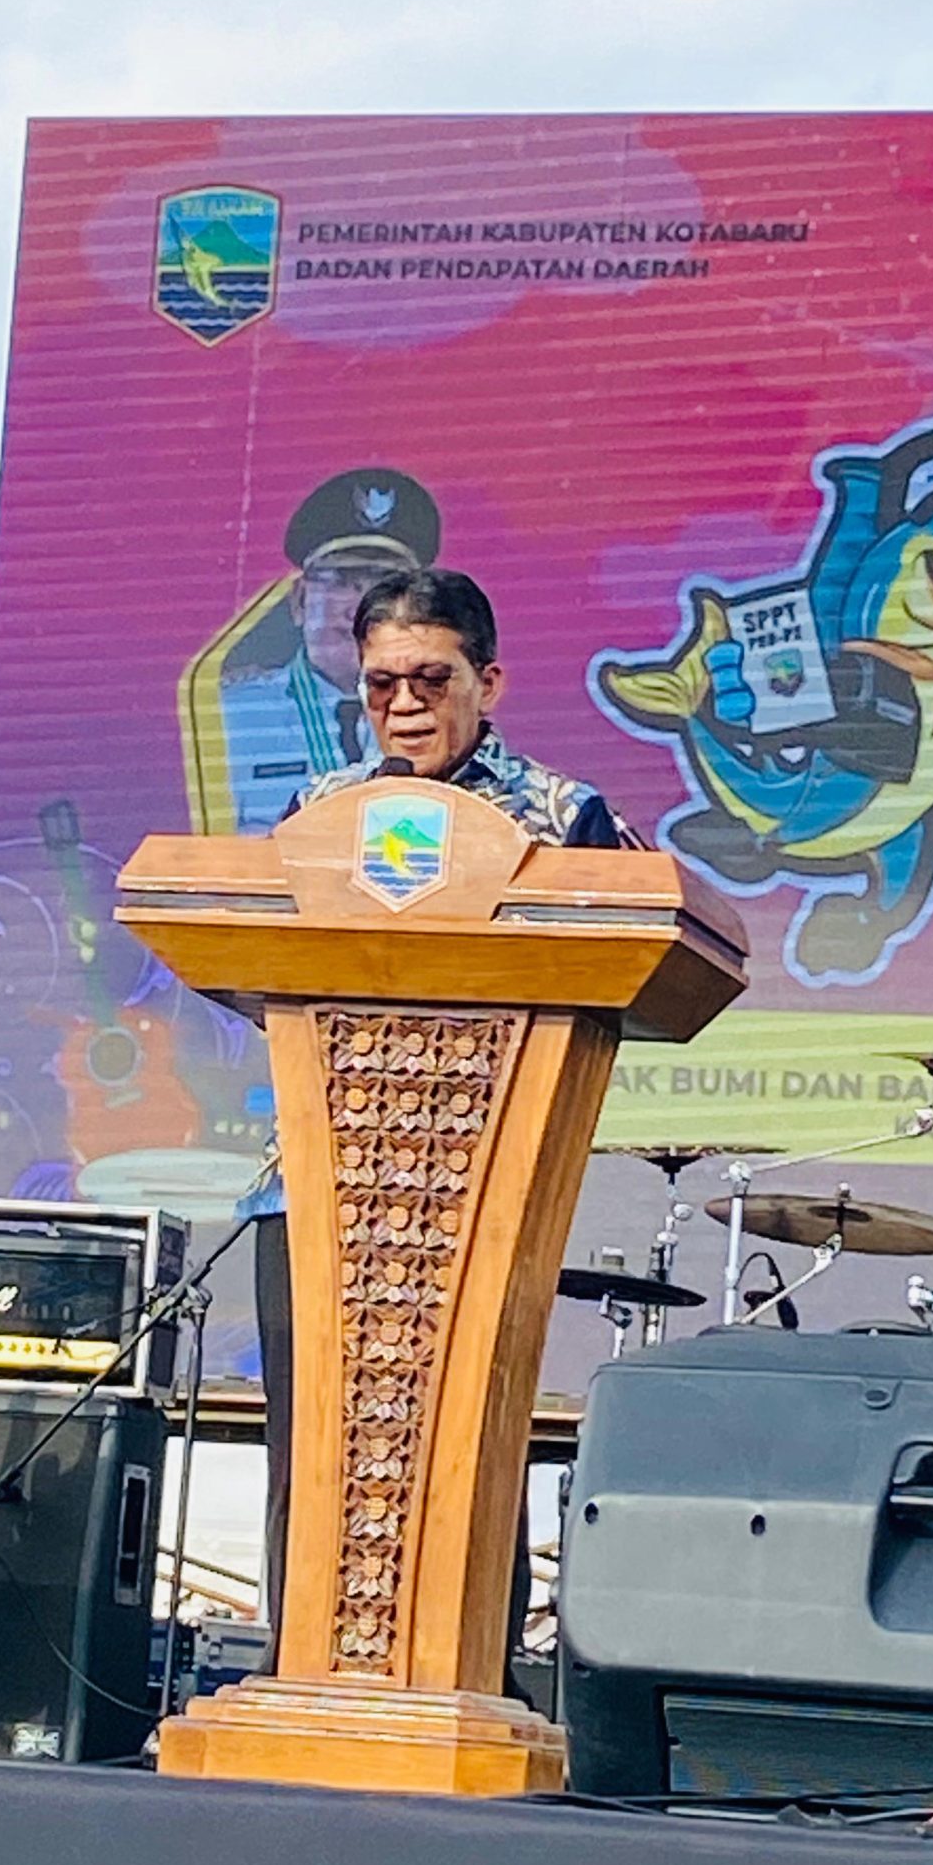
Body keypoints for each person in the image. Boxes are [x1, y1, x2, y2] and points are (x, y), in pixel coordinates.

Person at [251, 565, 641, 1681]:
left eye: (431, 678)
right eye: (382, 684)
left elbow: (647, 941)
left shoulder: (561, 819)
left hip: (481, 1181)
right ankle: (302, 1677)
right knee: (315, 1444)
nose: (405, 704)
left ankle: (469, 1676)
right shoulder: (320, 818)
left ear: (490, 682)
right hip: (321, 1177)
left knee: (464, 1436)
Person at [218, 470, 442, 832]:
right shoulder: (235, 717)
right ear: (300, 601)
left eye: (385, 586)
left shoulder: (446, 717)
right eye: (341, 581)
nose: (361, 608)